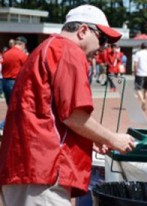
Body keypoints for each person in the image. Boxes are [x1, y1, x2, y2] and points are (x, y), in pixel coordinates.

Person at [0, 4, 135, 206]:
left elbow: (53, 110)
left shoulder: (46, 48)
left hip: (26, 165)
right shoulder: (69, 50)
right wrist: (113, 139)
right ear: (83, 31)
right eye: (102, 39)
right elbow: (74, 115)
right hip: (44, 168)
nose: (103, 48)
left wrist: (94, 136)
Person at [0, 36, 28, 132]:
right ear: (22, 44)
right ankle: (4, 126)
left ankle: (7, 126)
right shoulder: (21, 55)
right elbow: (27, 69)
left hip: (5, 82)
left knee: (11, 106)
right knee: (16, 107)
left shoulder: (6, 54)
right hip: (14, 82)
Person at [133, 42, 147, 111]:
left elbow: (135, 64)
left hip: (140, 73)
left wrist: (135, 72)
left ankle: (143, 101)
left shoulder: (138, 54)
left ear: (140, 47)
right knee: (146, 89)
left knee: (138, 89)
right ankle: (144, 101)